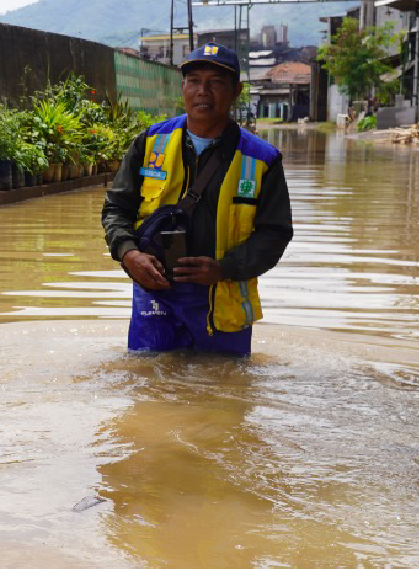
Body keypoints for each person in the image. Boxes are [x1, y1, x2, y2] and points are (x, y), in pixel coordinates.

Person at [101, 42, 293, 356]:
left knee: (225, 390)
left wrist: (225, 268)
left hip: (224, 297)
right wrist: (128, 253)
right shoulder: (149, 143)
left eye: (216, 83)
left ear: (236, 91)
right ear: (183, 88)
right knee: (150, 388)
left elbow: (275, 233)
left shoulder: (262, 160)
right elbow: (116, 208)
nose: (203, 91)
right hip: (156, 293)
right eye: (194, 82)